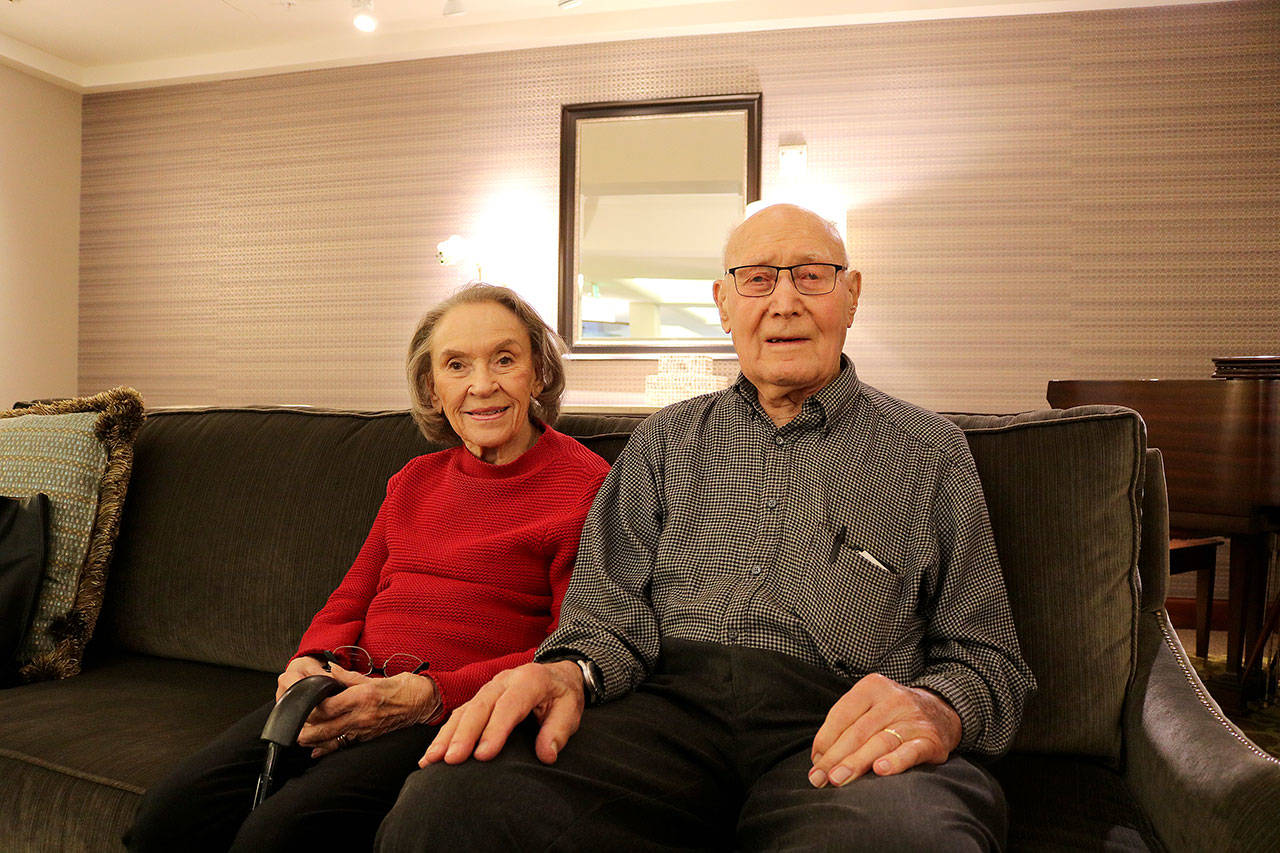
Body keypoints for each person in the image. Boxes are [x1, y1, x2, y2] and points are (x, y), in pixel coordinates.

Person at [377, 205, 1037, 851]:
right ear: (723, 304)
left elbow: (989, 658)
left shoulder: (929, 452)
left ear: (852, 294)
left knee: (903, 836)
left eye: (811, 276)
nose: (784, 302)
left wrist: (936, 707)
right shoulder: (663, 440)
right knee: (451, 804)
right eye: (758, 279)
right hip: (660, 716)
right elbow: (603, 616)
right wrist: (567, 672)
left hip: (836, 725)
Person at [126, 283, 610, 852]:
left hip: (451, 709)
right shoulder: (414, 480)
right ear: (431, 388)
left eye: (504, 359)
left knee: (279, 836)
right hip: (347, 686)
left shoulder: (588, 486)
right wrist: (308, 661)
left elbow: (571, 647)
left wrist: (426, 693)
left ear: (539, 373)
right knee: (167, 817)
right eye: (456, 365)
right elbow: (350, 597)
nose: (482, 385)